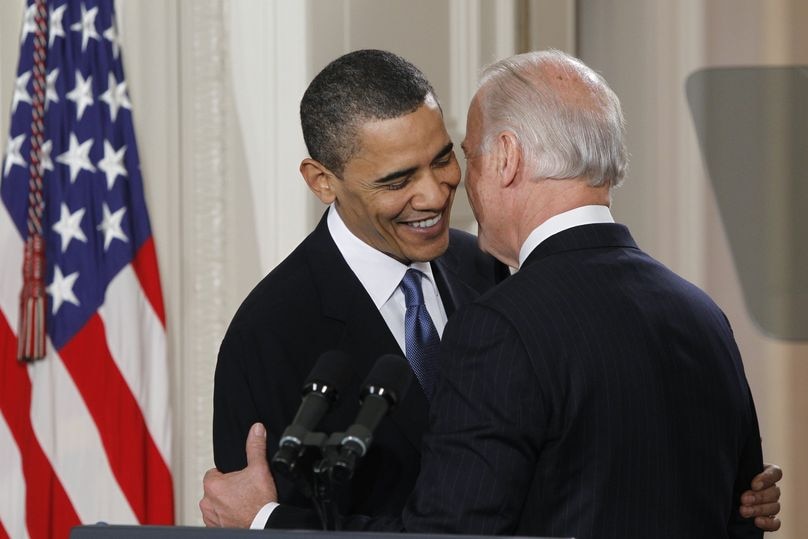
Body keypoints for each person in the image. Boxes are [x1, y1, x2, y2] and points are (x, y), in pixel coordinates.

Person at [201, 49, 783, 532]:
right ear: (321, 181)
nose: (434, 195)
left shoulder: (491, 274)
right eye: (398, 180)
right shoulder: (267, 333)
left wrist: (723, 494)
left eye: (445, 159)